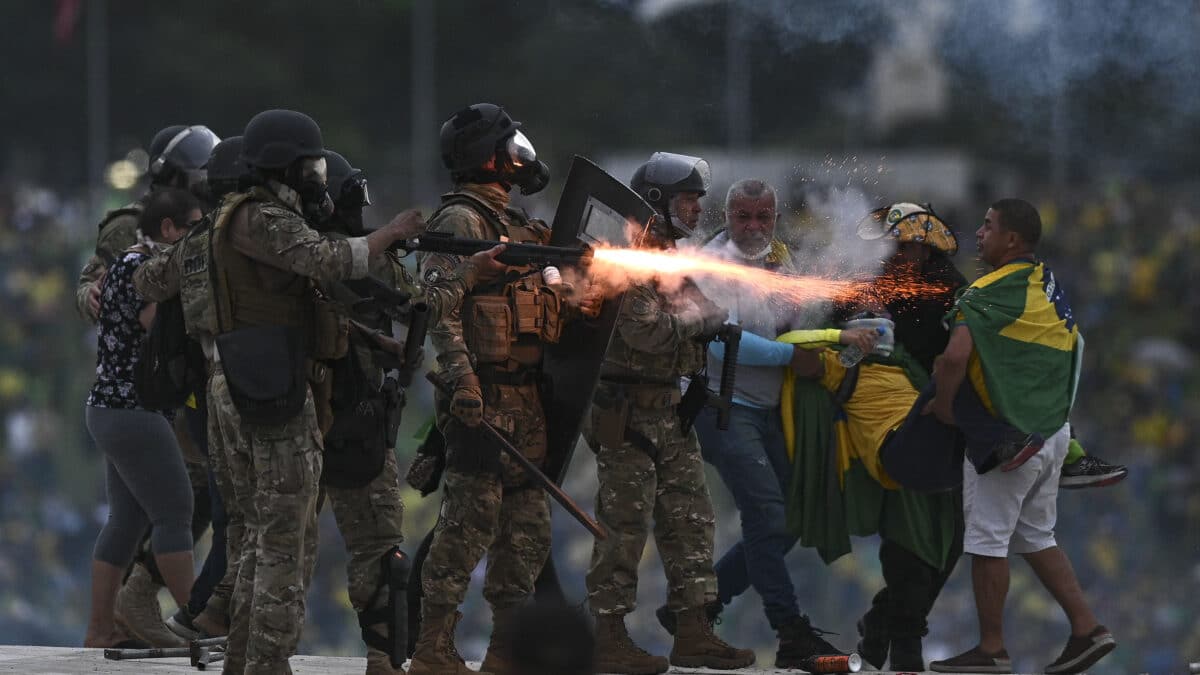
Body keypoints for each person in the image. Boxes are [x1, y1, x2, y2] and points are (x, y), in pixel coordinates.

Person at [204, 109, 424, 674]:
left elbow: (322, 302)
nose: (317, 176)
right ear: (287, 163)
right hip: (274, 387)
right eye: (311, 165)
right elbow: (326, 260)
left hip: (268, 380)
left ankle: (248, 659)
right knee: (283, 541)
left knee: (270, 537)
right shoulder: (262, 219)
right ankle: (265, 662)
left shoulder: (257, 218)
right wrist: (390, 234)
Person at [316, 150, 506, 675]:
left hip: (298, 417)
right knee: (379, 549)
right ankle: (383, 658)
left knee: (272, 545)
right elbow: (420, 303)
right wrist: (468, 272)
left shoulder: (299, 253)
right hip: (350, 417)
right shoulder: (355, 256)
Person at [410, 102, 579, 675]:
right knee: (465, 530)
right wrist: (462, 382)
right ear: (487, 157)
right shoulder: (460, 224)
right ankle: (433, 647)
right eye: (508, 144)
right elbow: (439, 311)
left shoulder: (522, 226)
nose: (520, 153)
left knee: (526, 534)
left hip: (528, 400)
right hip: (480, 398)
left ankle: (508, 650)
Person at [660, 178, 848, 668]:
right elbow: (722, 343)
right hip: (722, 408)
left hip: (767, 409)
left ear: (775, 219)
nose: (753, 227)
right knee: (769, 515)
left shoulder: (777, 260)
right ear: (728, 217)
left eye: (763, 217)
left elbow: (793, 321)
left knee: (787, 521)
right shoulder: (713, 266)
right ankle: (791, 632)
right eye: (744, 217)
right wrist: (793, 358)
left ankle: (695, 610)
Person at [928, 199, 1115, 674]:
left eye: (988, 226)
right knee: (1035, 535)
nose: (979, 233)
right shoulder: (1046, 284)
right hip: (1051, 434)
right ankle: (1088, 629)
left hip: (1008, 440)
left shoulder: (984, 294)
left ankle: (991, 649)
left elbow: (953, 359)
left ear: (1012, 239)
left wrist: (946, 407)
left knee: (988, 541)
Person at [585, 152, 754, 674]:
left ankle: (694, 630)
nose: (698, 208)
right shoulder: (625, 258)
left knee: (692, 521)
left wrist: (706, 314)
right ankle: (609, 637)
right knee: (624, 525)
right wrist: (698, 319)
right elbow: (646, 332)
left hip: (670, 409)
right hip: (629, 411)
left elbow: (696, 312)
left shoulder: (671, 258)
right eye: (688, 199)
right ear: (657, 201)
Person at [135, 136, 248, 642]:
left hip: (202, 387)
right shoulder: (155, 227)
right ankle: (171, 609)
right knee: (201, 507)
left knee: (208, 506)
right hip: (184, 390)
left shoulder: (210, 229)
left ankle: (161, 608)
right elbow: (133, 291)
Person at [83, 188, 202, 649]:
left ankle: (99, 630)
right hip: (134, 412)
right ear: (168, 229)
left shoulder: (127, 264)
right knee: (175, 512)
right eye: (192, 226)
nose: (197, 235)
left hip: (110, 410)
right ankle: (197, 623)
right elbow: (163, 330)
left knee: (127, 520)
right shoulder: (142, 271)